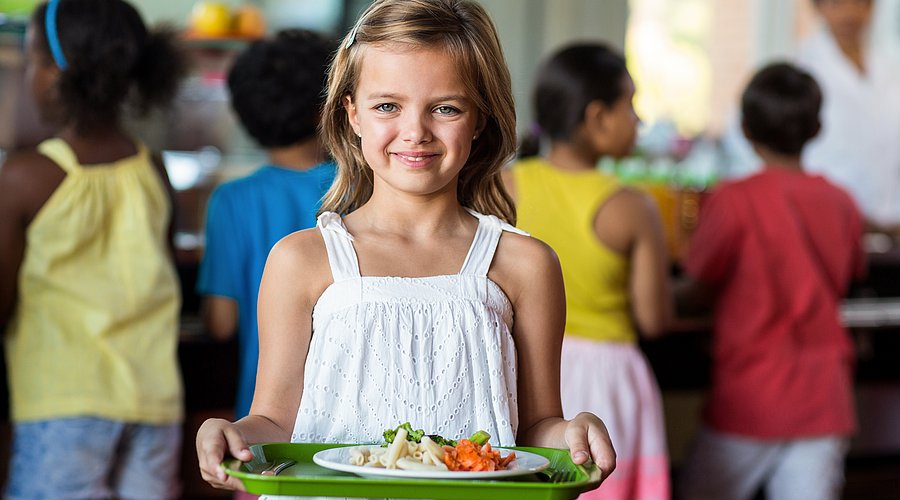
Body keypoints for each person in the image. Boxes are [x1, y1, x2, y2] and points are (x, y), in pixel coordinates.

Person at [196, 0, 617, 496]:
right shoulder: (300, 259)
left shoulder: (525, 264)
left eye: (446, 108)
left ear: (480, 118)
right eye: (387, 106)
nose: (415, 132)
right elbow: (274, 423)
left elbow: (535, 426)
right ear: (351, 114)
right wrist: (231, 433)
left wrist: (571, 432)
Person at [0, 0, 186, 498]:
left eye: (34, 59)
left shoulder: (25, 177)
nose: (29, 75)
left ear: (61, 72)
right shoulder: (153, 168)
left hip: (63, 401)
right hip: (156, 400)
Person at [675, 62, 866, 500]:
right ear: (817, 128)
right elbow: (851, 272)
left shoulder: (732, 200)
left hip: (750, 397)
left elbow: (698, 287)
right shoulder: (842, 202)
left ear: (744, 128)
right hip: (824, 400)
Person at [506, 43, 672, 500]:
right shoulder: (632, 206)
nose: (637, 120)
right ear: (597, 117)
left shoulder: (504, 184)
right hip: (608, 380)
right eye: (630, 105)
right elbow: (655, 319)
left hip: (526, 369)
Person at [196, 29, 336, 426]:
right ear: (328, 104)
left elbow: (221, 322)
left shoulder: (232, 200)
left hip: (264, 422)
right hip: (349, 421)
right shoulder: (363, 184)